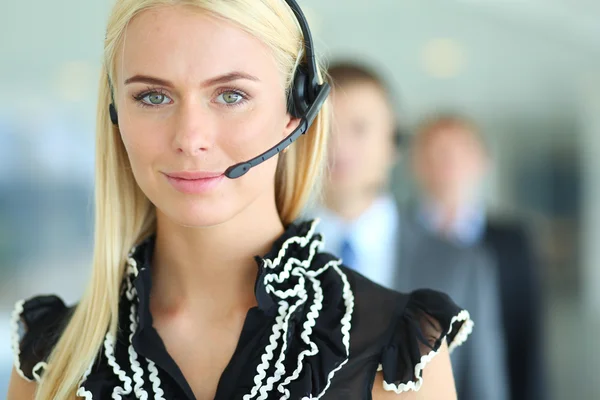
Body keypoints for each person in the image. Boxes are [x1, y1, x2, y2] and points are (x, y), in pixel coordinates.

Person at [6, 1, 473, 399]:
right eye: (152, 97)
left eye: (230, 95)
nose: (190, 138)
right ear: (116, 114)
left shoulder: (401, 353)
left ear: (298, 109)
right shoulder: (52, 358)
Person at [311, 63, 508, 400]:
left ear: (393, 144)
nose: (339, 146)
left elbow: (483, 387)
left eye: (359, 128)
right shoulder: (270, 258)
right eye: (325, 127)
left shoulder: (460, 262)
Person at [412, 114, 545, 400]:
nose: (448, 163)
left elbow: (526, 336)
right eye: (436, 152)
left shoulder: (512, 242)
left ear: (483, 161)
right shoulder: (397, 238)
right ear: (416, 163)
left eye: (459, 152)